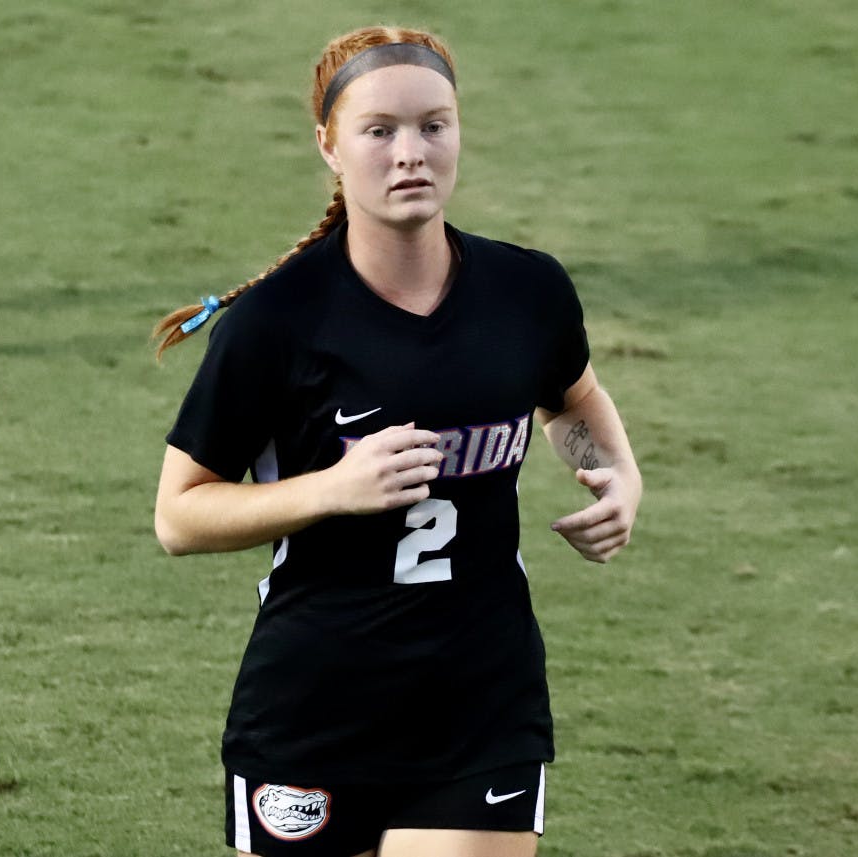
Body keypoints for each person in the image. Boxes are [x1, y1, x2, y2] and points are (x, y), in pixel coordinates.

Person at [153, 25, 641, 857]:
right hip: (313, 706)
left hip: (482, 699)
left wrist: (616, 476)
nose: (410, 152)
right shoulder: (277, 321)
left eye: (434, 125)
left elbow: (573, 398)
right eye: (379, 131)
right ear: (330, 148)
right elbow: (179, 515)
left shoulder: (528, 290)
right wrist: (329, 491)